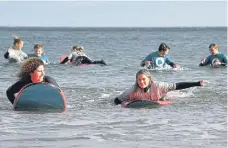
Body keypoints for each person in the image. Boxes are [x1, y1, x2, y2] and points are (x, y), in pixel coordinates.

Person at [113, 69, 208, 105]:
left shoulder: (159, 85)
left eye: (143, 79)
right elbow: (117, 100)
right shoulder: (132, 90)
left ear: (150, 79)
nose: (141, 82)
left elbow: (177, 85)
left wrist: (197, 83)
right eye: (139, 80)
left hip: (161, 96)